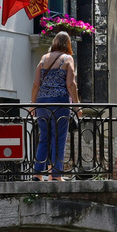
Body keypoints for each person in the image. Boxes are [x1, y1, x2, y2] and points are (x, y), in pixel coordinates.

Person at [30, 31, 80, 180]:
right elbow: (70, 84)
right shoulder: (67, 59)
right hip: (59, 103)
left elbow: (36, 84)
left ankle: (38, 174)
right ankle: (56, 175)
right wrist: (77, 106)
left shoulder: (44, 59)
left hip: (42, 104)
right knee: (59, 137)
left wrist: (32, 105)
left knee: (44, 138)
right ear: (68, 44)